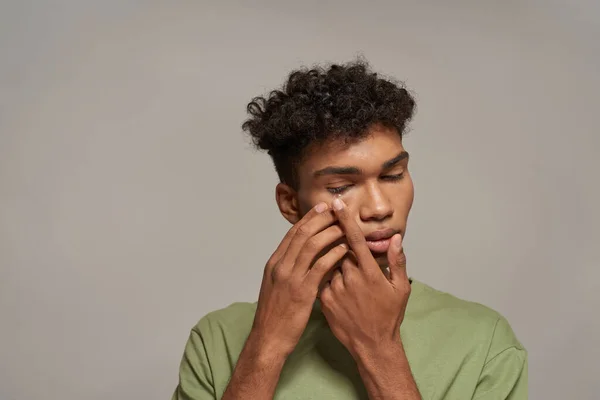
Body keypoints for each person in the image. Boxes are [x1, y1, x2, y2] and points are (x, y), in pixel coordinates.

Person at [171, 60, 527, 400]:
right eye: (341, 187)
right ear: (290, 204)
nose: (379, 208)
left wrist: (379, 349)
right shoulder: (216, 340)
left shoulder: (485, 342)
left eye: (392, 176)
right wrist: (267, 345)